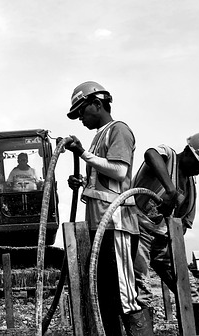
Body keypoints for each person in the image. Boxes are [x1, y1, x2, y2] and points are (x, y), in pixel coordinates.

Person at [64, 81, 152, 336]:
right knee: (105, 300)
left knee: (124, 298)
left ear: (96, 104)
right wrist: (83, 183)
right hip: (101, 226)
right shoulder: (99, 137)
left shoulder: (119, 130)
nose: (80, 118)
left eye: (81, 111)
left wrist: (82, 153)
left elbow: (119, 170)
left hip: (117, 226)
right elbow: (104, 182)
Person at [132, 131, 199, 309]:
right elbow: (150, 153)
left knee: (189, 290)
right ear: (188, 151)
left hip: (162, 240)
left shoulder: (190, 186)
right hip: (138, 230)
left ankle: (194, 323)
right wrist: (170, 190)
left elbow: (183, 224)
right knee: (142, 291)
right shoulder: (168, 156)